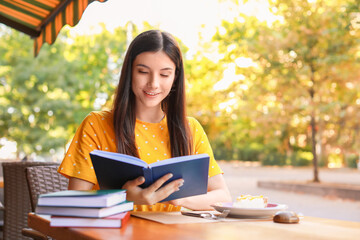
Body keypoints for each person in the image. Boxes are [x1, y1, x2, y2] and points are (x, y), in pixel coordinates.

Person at [58, 30, 232, 211]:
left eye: (164, 74)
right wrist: (124, 198)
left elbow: (222, 196)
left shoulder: (190, 129)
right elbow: (75, 202)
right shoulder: (96, 125)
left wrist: (178, 198)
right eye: (143, 71)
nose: (153, 83)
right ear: (129, 72)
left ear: (175, 78)